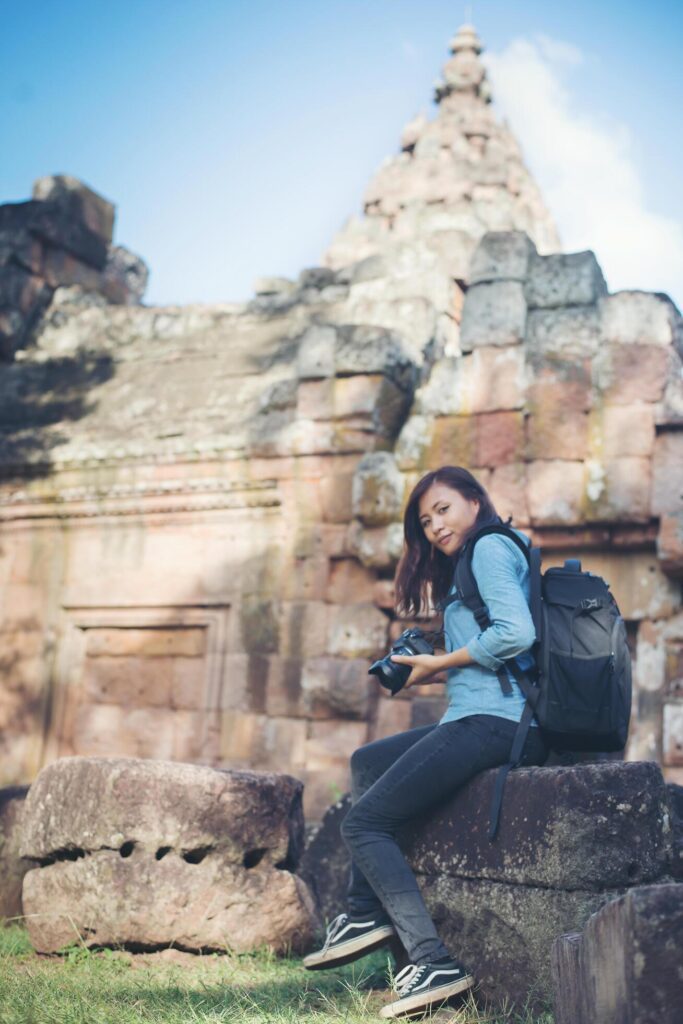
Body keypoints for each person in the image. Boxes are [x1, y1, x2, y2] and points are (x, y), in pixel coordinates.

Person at [303, 466, 548, 1019]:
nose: (436, 525)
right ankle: (367, 911)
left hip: (499, 723)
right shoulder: (476, 558)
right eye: (425, 519)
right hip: (483, 712)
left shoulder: (487, 548)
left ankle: (433, 961)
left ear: (473, 500)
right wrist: (427, 672)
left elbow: (516, 634)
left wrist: (442, 660)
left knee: (363, 823)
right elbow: (504, 654)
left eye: (444, 509)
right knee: (367, 761)